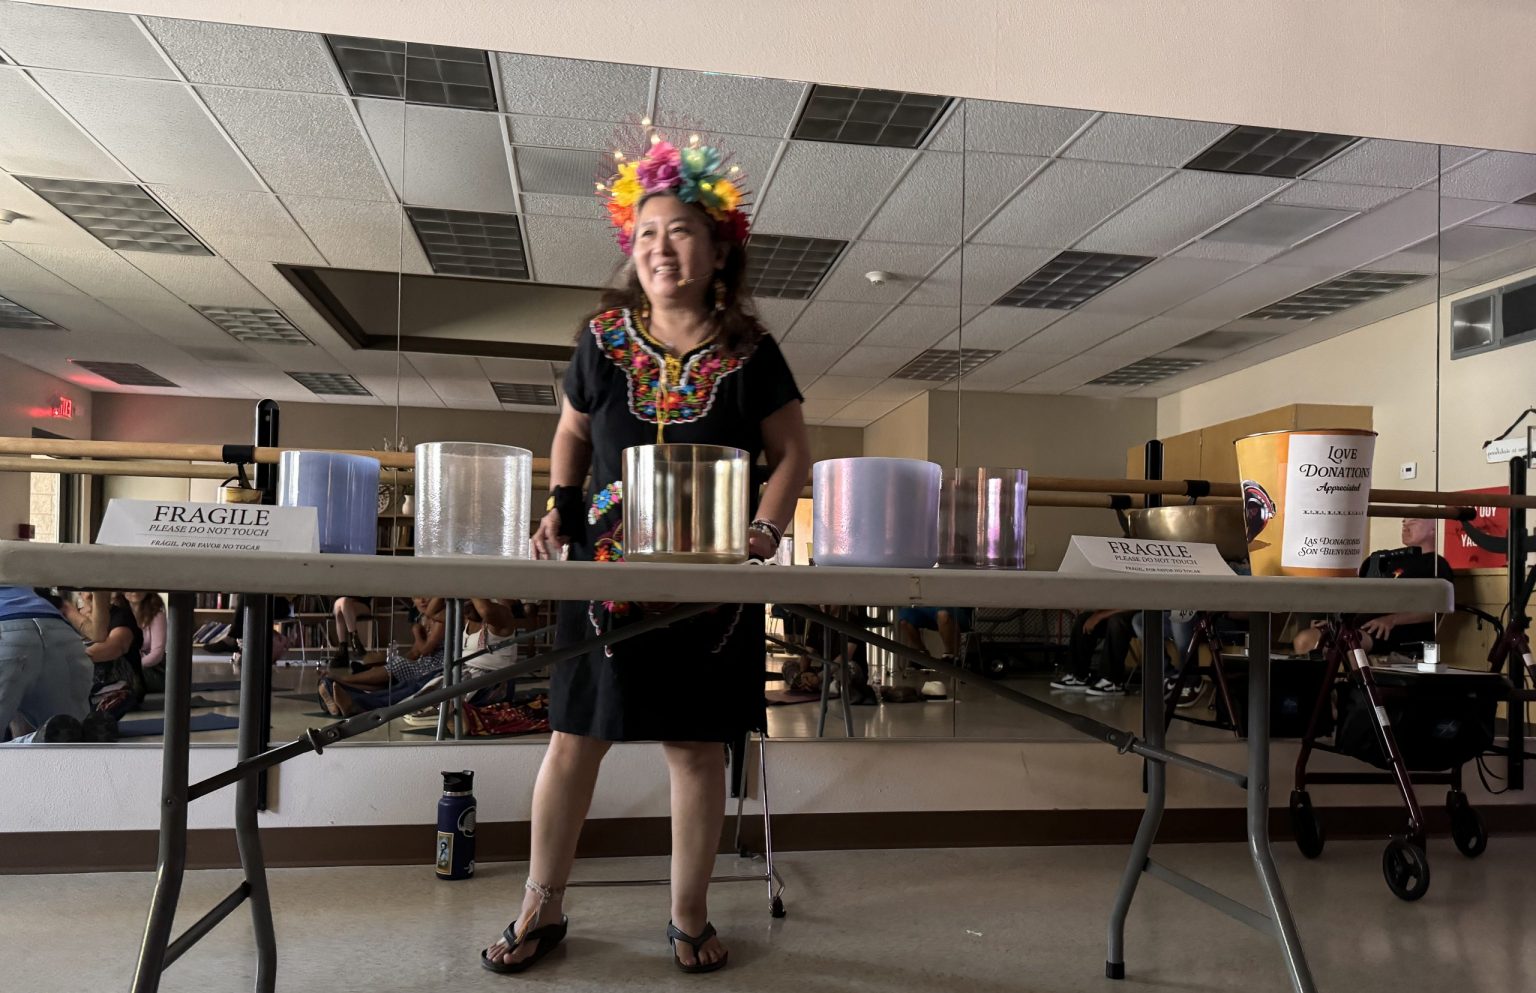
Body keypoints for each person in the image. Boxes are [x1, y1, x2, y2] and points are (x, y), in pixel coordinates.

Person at [482, 128, 810, 976]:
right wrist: (558, 506)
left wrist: (767, 532)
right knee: (572, 738)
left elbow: (794, 458)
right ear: (633, 249)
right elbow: (571, 430)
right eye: (647, 234)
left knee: (697, 748)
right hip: (603, 576)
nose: (662, 248)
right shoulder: (601, 339)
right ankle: (540, 906)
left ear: (716, 248)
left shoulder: (752, 353)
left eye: (682, 231)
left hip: (710, 589)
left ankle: (688, 917)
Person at [1293, 518, 1454, 657]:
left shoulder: (1435, 563)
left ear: (1433, 529)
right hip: (1362, 625)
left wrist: (1392, 619)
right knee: (1304, 640)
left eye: (1414, 520)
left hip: (1397, 629)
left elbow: (1437, 609)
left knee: (1341, 646)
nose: (1405, 524)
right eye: (1404, 520)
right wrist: (1335, 620)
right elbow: (1360, 596)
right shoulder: (1387, 560)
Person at [0, 587, 105, 742]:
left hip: (6, 629)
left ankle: (34, 741)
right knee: (70, 736)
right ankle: (69, 736)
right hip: (59, 629)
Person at [317, 597, 444, 717]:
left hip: (434, 665)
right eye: (418, 597)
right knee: (389, 676)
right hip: (425, 663)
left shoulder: (440, 619)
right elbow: (415, 652)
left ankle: (341, 683)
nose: (422, 600)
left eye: (427, 597)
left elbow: (425, 650)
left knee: (398, 674)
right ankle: (336, 690)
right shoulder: (422, 618)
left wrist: (416, 632)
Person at [82, 593, 145, 720]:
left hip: (120, 685)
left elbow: (115, 647)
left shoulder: (121, 616)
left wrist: (70, 657)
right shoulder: (71, 616)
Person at [1052, 609, 1134, 696]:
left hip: (1142, 612)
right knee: (1083, 619)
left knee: (1116, 621)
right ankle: (1079, 676)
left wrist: (1100, 615)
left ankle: (1113, 681)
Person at [124, 591, 167, 694]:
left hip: (151, 668)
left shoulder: (157, 614)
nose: (135, 591)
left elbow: (156, 654)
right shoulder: (115, 612)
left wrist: (132, 667)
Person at [331, 596, 371, 667]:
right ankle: (355, 642)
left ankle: (342, 652)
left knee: (343, 607)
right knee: (344, 601)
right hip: (338, 603)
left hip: (360, 604)